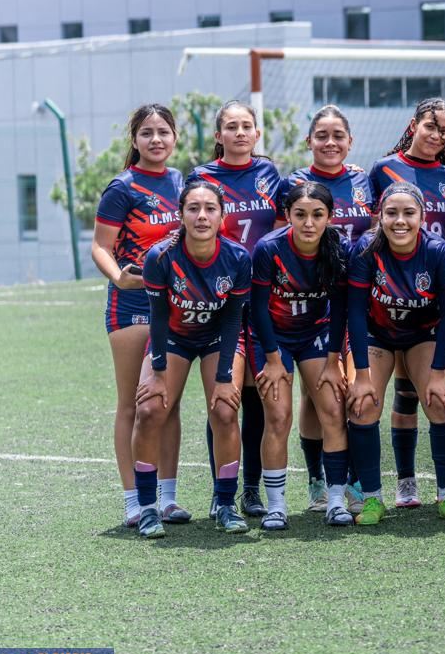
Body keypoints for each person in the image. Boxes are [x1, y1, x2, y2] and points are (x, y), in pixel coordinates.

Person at [132, 180, 252, 537]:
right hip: (173, 338)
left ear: (222, 215)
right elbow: (156, 317)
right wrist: (156, 371)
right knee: (150, 409)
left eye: (210, 208)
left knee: (226, 410)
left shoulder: (237, 258)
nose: (202, 216)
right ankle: (148, 507)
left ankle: (226, 504)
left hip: (218, 339)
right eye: (193, 209)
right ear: (181, 214)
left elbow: (233, 320)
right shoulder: (160, 257)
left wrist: (224, 375)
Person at [368, 98, 445, 511]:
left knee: (437, 393)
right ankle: (403, 482)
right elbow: (372, 226)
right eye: (431, 125)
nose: (437, 135)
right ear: (414, 124)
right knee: (401, 396)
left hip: (436, 297)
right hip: (388, 295)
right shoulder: (383, 168)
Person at [345, 182, 445, 526]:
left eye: (409, 213)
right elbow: (354, 311)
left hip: (421, 335)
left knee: (441, 401)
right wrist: (363, 375)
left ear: (422, 217)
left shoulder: (438, 251)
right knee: (364, 404)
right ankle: (371, 499)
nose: (400, 221)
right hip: (377, 334)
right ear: (379, 217)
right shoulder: (366, 249)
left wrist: (441, 373)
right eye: (392, 213)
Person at [92, 104, 188, 528]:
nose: (156, 140)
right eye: (147, 133)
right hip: (131, 304)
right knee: (133, 403)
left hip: (173, 305)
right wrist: (120, 278)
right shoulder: (123, 187)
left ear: (175, 137)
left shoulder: (182, 182)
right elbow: (99, 245)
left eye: (163, 132)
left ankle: (166, 498)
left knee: (167, 403)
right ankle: (134, 500)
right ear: (134, 140)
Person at [189, 100, 283, 520]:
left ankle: (250, 490)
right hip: (220, 299)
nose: (240, 132)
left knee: (256, 397)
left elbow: (283, 226)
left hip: (262, 295)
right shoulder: (202, 177)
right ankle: (219, 490)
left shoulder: (268, 173)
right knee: (222, 399)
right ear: (218, 134)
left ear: (257, 134)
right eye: (231, 126)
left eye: (247, 126)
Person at [284, 104, 374, 513]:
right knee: (314, 394)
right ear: (309, 142)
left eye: (338, 135)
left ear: (350, 142)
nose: (331, 142)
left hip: (357, 297)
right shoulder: (295, 183)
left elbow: (376, 229)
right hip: (308, 303)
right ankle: (318, 480)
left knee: (350, 392)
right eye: (322, 135)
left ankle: (352, 481)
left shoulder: (363, 180)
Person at [248, 182, 351, 529]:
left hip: (317, 335)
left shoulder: (338, 248)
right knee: (277, 415)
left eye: (317, 215)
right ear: (288, 215)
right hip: (274, 337)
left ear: (329, 217)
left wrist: (335, 359)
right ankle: (277, 506)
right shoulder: (268, 249)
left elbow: (340, 310)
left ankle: (335, 500)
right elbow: (258, 309)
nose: (309, 223)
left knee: (334, 411)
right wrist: (273, 358)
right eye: (300, 214)